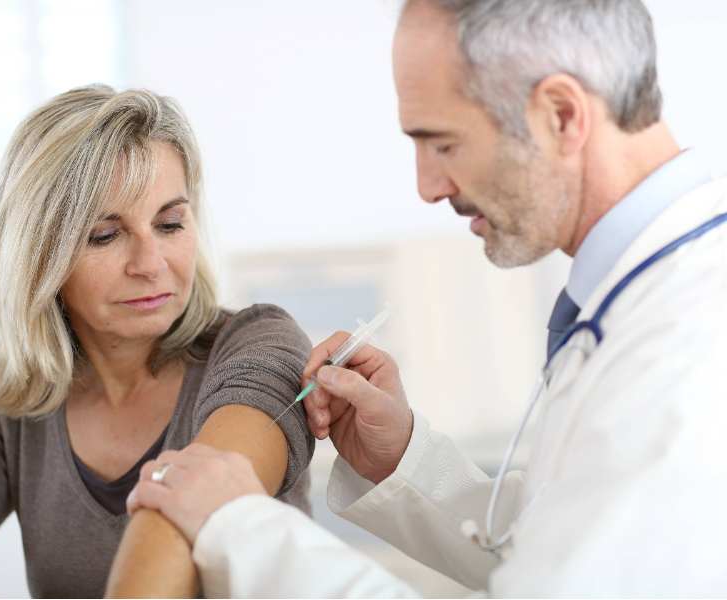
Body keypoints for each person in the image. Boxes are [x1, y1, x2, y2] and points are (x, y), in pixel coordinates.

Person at [125, 0, 727, 597]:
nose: (428, 187)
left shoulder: (690, 350)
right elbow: (555, 544)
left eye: (443, 144)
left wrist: (243, 531)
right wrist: (402, 459)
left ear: (562, 115)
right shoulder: (638, 303)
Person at [0, 84, 314, 599]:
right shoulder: (16, 406)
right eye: (105, 235)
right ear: (40, 257)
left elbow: (189, 509)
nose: (151, 264)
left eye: (170, 224)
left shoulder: (259, 347)